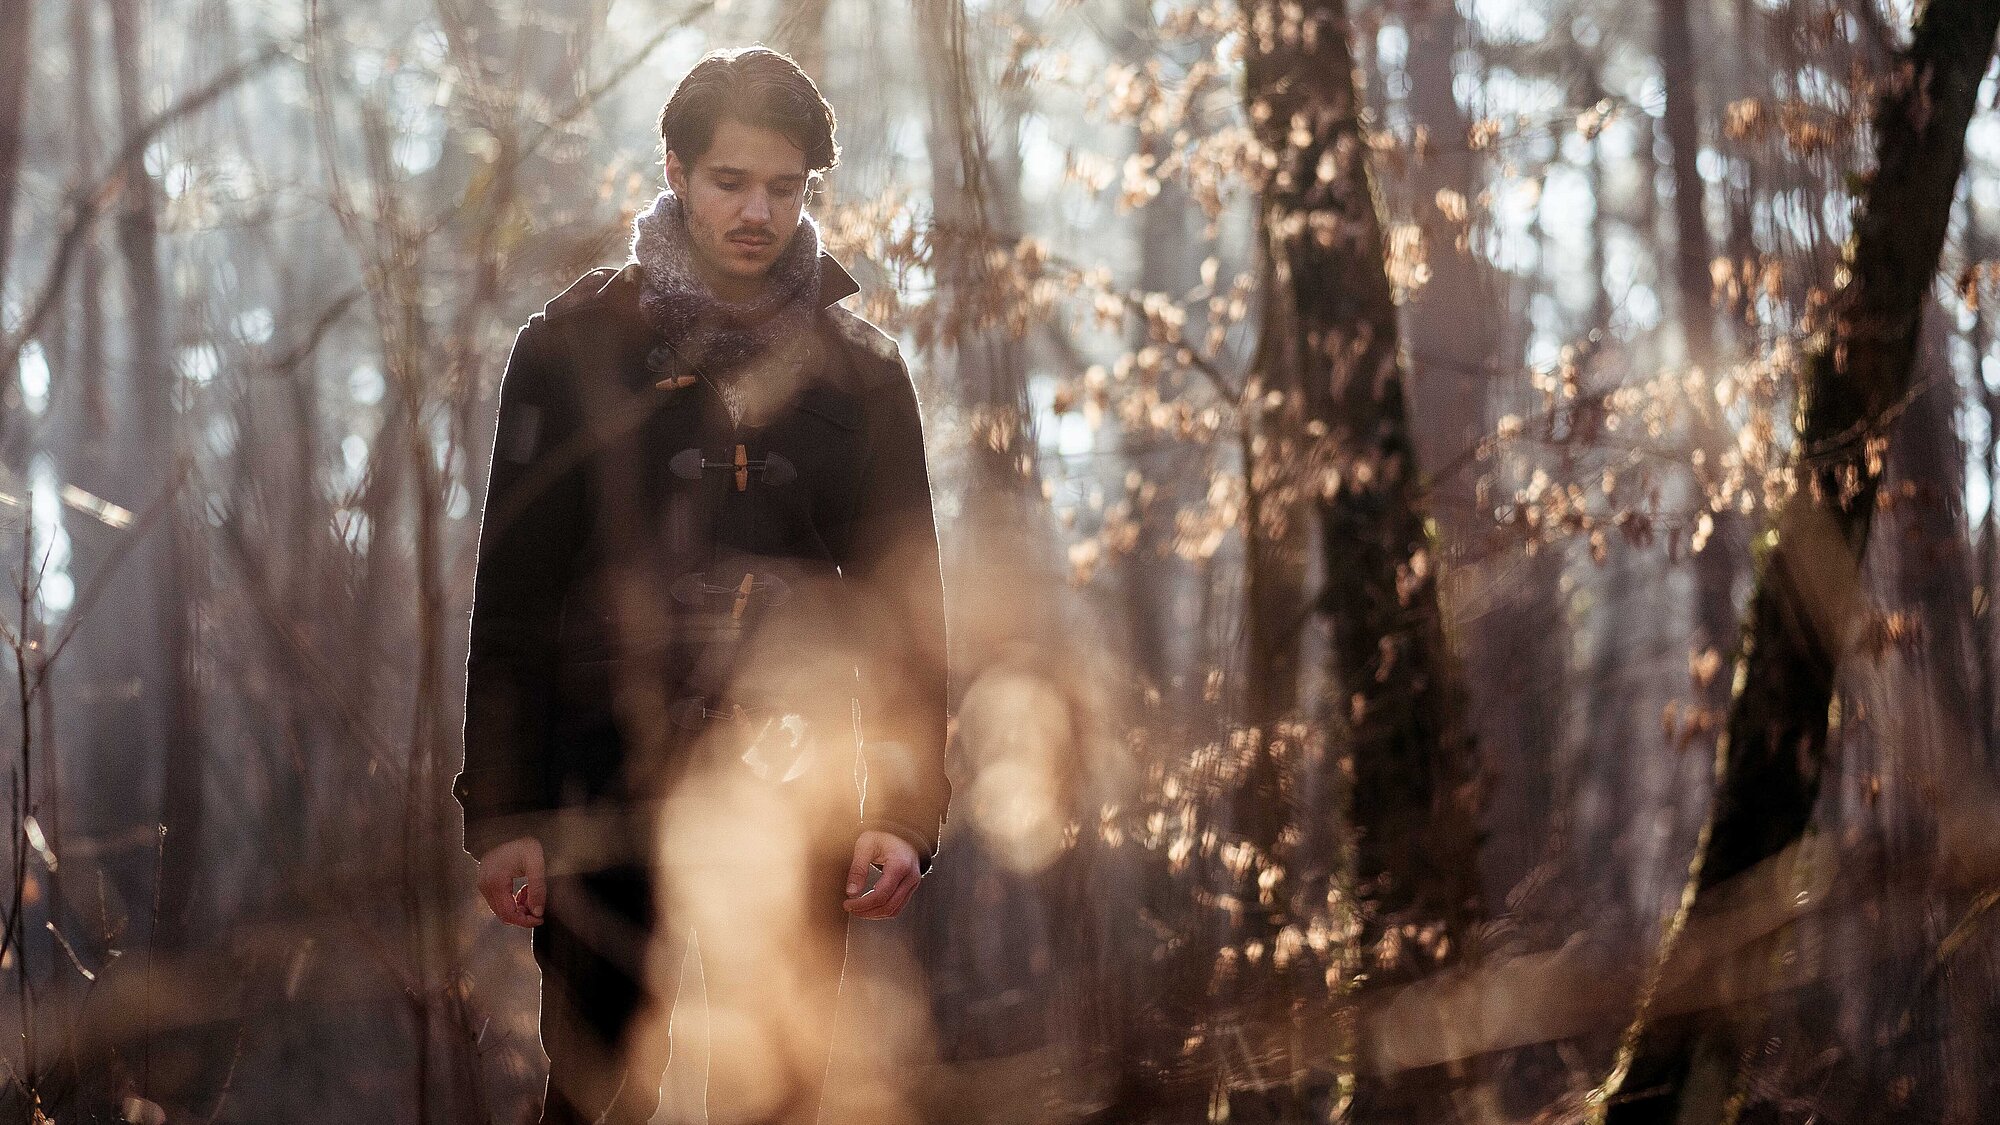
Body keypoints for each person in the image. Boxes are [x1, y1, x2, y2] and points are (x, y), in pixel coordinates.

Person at [452, 46, 951, 1125]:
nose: (757, 211)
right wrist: (502, 813)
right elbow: (515, 599)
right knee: (596, 1097)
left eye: (784, 186)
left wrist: (903, 811)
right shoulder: (568, 350)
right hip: (599, 795)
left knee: (775, 1094)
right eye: (730, 180)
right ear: (675, 172)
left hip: (796, 792)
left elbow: (907, 618)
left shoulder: (862, 377)